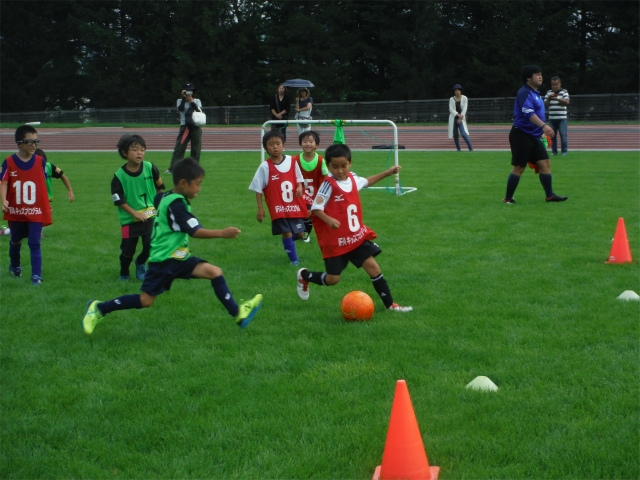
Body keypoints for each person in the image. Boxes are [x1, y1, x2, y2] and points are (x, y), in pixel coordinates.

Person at [82, 158, 263, 335]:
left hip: (178, 257)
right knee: (145, 301)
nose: (199, 188)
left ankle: (238, 314)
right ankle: (98, 308)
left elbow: (159, 199)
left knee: (215, 272)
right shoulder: (176, 204)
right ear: (183, 183)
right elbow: (195, 231)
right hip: (164, 260)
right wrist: (222, 233)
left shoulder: (164, 196)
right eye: (197, 184)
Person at [295, 143, 412, 313]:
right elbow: (315, 207)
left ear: (350, 163)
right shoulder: (328, 185)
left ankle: (390, 305)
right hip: (336, 241)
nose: (340, 171)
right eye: (335, 167)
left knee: (374, 268)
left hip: (355, 237)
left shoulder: (352, 178)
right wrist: (330, 220)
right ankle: (304, 276)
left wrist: (388, 172)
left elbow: (366, 181)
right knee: (333, 279)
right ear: (328, 166)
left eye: (344, 166)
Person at [503, 65, 568, 204]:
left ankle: (550, 196)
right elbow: (528, 113)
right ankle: (508, 198)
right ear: (528, 77)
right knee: (519, 167)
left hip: (533, 136)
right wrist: (543, 126)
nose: (540, 77)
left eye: (541, 74)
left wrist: (540, 133)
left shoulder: (536, 93)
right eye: (537, 74)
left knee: (545, 163)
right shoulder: (524, 92)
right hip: (521, 134)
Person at [0, 125, 52, 284]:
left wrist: (46, 204)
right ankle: (15, 267)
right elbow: (3, 182)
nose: (34, 145)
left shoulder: (40, 162)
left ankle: (37, 276)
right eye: (30, 142)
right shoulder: (9, 162)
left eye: (36, 141)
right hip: (17, 211)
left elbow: (43, 184)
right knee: (15, 241)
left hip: (35, 211)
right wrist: (4, 200)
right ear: (19, 142)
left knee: (34, 242)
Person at [249, 130, 308, 265]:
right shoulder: (265, 166)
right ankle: (294, 261)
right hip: (278, 208)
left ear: (283, 145)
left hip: (294, 205)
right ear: (265, 148)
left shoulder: (293, 161)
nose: (275, 147)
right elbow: (258, 188)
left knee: (299, 234)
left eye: (278, 143)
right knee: (286, 232)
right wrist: (260, 208)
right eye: (271, 144)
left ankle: (289, 244)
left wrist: (299, 187)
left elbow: (299, 179)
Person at [112, 134, 165, 281]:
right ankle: (124, 272)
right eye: (135, 150)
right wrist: (134, 213)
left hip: (150, 215)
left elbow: (160, 187)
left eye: (142, 149)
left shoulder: (150, 168)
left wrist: (158, 206)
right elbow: (118, 200)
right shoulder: (119, 176)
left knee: (151, 245)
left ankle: (141, 262)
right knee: (128, 250)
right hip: (129, 219)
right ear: (124, 153)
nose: (139, 153)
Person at [291, 130, 328, 243]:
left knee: (310, 214)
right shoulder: (295, 160)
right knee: (303, 213)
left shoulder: (321, 160)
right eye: (305, 141)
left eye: (311, 141)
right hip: (300, 193)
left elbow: (326, 177)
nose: (308, 144)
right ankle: (299, 233)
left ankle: (303, 233)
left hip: (316, 193)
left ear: (316, 144)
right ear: (300, 144)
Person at [166, 82, 203, 174]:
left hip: (195, 126)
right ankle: (173, 168)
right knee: (179, 148)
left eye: (190, 91)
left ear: (193, 92)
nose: (188, 94)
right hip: (184, 126)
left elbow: (199, 110)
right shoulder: (179, 101)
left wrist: (191, 101)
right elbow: (180, 109)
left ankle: (194, 168)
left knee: (196, 149)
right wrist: (183, 98)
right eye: (186, 91)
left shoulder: (197, 101)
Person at [544, 76, 570, 156]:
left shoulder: (564, 92)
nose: (555, 86)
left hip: (562, 118)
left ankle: (564, 152)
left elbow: (567, 102)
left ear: (560, 84)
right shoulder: (549, 92)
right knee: (552, 136)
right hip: (552, 118)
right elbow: (545, 104)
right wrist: (549, 98)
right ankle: (554, 152)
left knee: (563, 135)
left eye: (556, 84)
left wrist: (558, 98)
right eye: (553, 85)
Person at [448, 84, 473, 151]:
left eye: (458, 90)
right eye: (455, 90)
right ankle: (458, 149)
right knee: (455, 134)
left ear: (460, 91)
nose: (457, 92)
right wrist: (457, 115)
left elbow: (464, 108)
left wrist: (460, 117)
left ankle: (470, 148)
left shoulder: (464, 98)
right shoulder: (451, 99)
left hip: (461, 118)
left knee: (463, 133)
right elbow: (451, 109)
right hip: (453, 118)